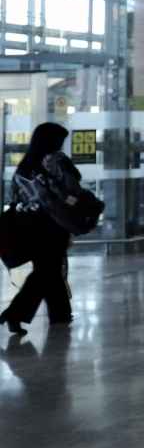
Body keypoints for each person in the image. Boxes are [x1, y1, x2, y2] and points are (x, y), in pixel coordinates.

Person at [2, 124, 83, 333]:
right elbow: (71, 190)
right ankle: (14, 313)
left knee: (50, 271)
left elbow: (17, 195)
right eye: (59, 140)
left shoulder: (25, 166)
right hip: (52, 224)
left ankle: (60, 315)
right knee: (46, 272)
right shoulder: (55, 162)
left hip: (30, 226)